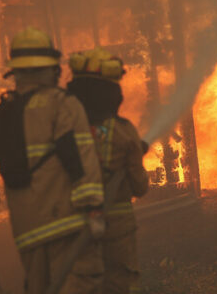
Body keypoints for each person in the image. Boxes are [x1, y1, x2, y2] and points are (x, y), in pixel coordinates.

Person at [0, 27, 105, 294]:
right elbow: (80, 159)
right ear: (51, 69)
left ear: (16, 72)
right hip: (67, 225)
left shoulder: (3, 113)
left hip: (27, 233)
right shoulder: (63, 104)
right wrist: (95, 211)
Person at [67, 48, 149, 294]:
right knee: (120, 285)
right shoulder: (123, 132)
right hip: (117, 230)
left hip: (72, 227)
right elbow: (140, 187)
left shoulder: (64, 129)